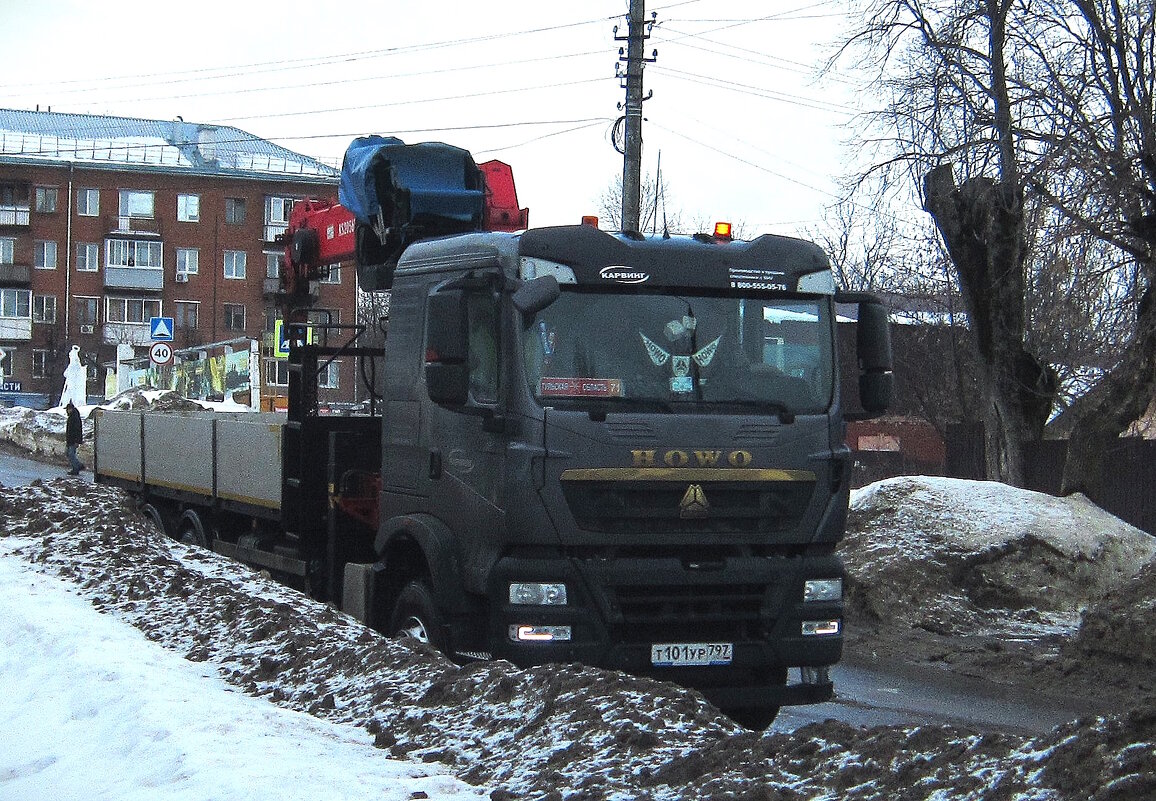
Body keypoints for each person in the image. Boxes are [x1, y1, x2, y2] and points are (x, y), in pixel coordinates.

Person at [65, 400, 84, 476]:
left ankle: (76, 468)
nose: (67, 411)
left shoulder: (74, 417)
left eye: (67, 409)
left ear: (70, 409)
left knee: (71, 454)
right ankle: (78, 466)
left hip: (73, 440)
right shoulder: (72, 416)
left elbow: (77, 430)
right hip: (70, 439)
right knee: (68, 453)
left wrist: (77, 441)